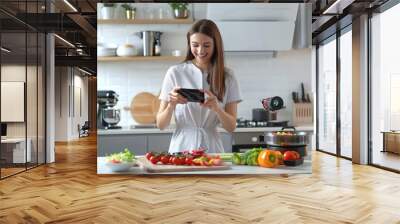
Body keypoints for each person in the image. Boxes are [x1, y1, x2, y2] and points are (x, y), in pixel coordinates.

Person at [157, 19, 242, 153]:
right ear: (189, 44)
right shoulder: (175, 72)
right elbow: (161, 124)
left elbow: (231, 127)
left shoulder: (228, 76)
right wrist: (171, 105)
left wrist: (217, 108)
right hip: (181, 148)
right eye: (195, 45)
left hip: (212, 149)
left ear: (216, 45)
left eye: (207, 45)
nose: (200, 50)